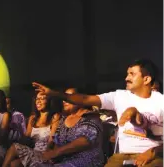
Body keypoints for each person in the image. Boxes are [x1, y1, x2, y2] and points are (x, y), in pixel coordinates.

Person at [33, 59, 163, 167]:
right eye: (127, 74)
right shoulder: (119, 96)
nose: (126, 78)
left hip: (152, 157)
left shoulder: (160, 102)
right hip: (121, 156)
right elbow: (85, 99)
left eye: (132, 74)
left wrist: (153, 152)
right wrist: (55, 94)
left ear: (146, 79)